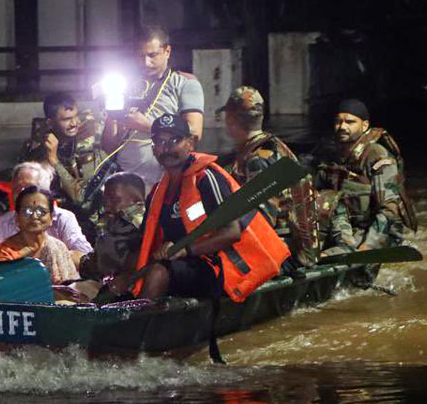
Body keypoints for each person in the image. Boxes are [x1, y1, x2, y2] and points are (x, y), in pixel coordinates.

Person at [99, 114, 289, 303]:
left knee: (158, 272)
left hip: (219, 267)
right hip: (183, 265)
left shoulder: (207, 179)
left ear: (190, 143)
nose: (167, 148)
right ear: (153, 149)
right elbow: (143, 244)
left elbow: (232, 233)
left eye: (174, 140)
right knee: (124, 279)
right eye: (160, 142)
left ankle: (138, 326)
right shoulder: (157, 193)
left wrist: (185, 250)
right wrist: (125, 275)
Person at [218, 86, 319, 266]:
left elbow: (262, 220)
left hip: (281, 248)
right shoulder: (275, 147)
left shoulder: (256, 160)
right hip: (292, 242)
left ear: (232, 119)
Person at [100, 25, 205, 189]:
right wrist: (113, 116)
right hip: (127, 183)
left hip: (166, 181)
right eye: (140, 56)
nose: (146, 63)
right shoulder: (124, 86)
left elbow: (195, 134)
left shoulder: (185, 83)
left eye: (152, 55)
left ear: (167, 52)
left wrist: (148, 126)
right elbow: (109, 147)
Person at [313, 98, 417, 257]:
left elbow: (390, 209)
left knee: (348, 263)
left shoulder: (378, 156)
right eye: (338, 122)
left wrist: (368, 245)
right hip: (341, 227)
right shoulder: (329, 155)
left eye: (350, 122)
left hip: (375, 229)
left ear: (364, 125)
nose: (342, 127)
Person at [0, 161, 93, 269]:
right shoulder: (0, 226)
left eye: (28, 188)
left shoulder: (63, 219)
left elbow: (86, 258)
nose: (22, 194)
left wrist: (57, 256)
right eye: (17, 189)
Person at [18, 92, 107, 216]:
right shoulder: (39, 148)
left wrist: (54, 161)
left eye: (75, 116)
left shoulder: (87, 143)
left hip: (89, 218)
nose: (74, 123)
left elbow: (83, 198)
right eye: (66, 119)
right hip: (50, 216)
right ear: (50, 123)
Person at [0, 186, 80, 285]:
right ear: (16, 217)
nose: (34, 216)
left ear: (51, 218)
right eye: (27, 211)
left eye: (41, 212)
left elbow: (71, 290)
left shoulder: (58, 247)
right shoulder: (5, 253)